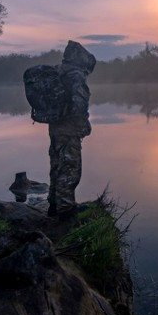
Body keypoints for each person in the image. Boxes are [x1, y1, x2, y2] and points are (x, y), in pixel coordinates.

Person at [43, 41, 96, 217]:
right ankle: (65, 211)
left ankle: (53, 205)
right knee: (70, 169)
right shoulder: (75, 75)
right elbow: (79, 105)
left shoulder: (58, 71)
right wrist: (83, 126)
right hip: (69, 130)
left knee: (56, 166)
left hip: (55, 128)